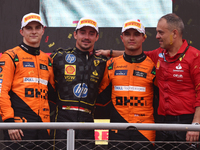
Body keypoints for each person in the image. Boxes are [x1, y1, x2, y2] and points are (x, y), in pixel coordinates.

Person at [96, 13, 200, 149]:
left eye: (160, 33)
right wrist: (108, 52)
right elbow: (135, 54)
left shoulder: (195, 56)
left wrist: (196, 123)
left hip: (187, 122)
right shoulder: (158, 55)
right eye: (127, 35)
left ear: (174, 34)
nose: (157, 36)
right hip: (162, 124)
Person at [0, 13, 55, 149]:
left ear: (43, 31)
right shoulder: (10, 56)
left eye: (37, 28)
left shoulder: (48, 60)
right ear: (21, 32)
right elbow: (2, 91)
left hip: (44, 125)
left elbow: (54, 93)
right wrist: (9, 123)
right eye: (29, 28)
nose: (34, 31)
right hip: (19, 126)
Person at [98, 19, 156, 150]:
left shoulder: (152, 65)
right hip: (118, 129)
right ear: (121, 38)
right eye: (127, 34)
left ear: (143, 38)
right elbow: (100, 98)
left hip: (145, 130)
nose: (131, 38)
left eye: (136, 34)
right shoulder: (111, 64)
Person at [51, 17, 107, 150]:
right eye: (82, 32)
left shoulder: (102, 62)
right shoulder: (59, 57)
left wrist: (111, 52)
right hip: (62, 119)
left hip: (87, 120)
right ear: (75, 34)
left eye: (91, 33)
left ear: (97, 37)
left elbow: (131, 55)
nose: (86, 37)